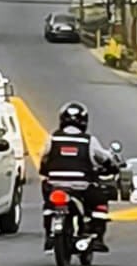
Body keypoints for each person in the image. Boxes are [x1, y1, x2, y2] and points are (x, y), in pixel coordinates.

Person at [38, 101, 115, 252]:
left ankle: (49, 235)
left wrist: (46, 171)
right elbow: (104, 158)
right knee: (99, 199)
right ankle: (97, 235)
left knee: (48, 204)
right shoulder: (89, 141)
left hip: (55, 185)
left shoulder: (52, 139)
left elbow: (44, 157)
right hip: (82, 186)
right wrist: (111, 166)